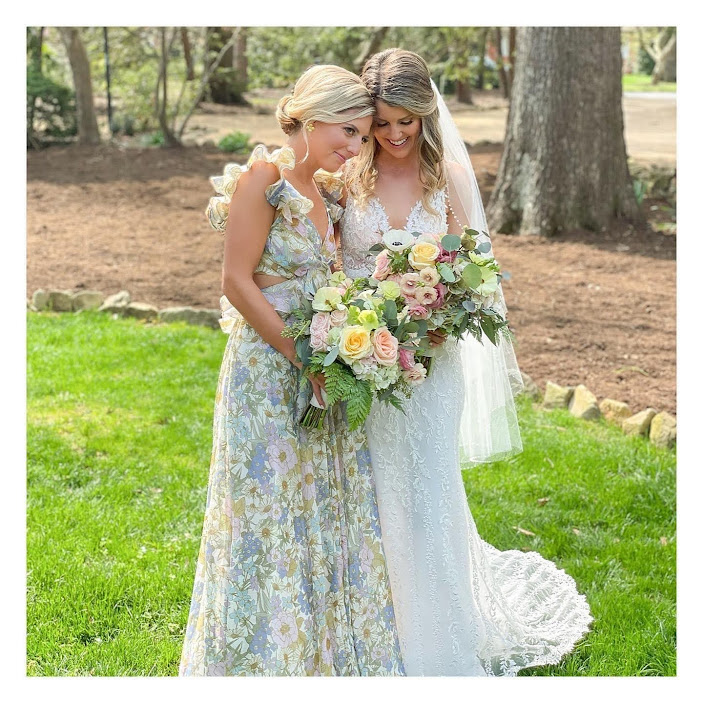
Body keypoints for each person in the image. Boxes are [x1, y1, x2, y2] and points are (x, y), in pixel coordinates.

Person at [340, 48, 593, 676]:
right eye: (384, 122)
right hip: (367, 360)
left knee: (426, 495)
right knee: (369, 496)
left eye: (408, 121)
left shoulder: (447, 176)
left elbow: (471, 278)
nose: (396, 136)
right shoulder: (348, 178)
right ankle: (370, 624)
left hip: (431, 365)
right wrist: (367, 329)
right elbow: (334, 268)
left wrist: (426, 329)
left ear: (428, 114)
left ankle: (440, 634)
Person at [179, 64, 404, 676]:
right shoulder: (263, 179)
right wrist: (302, 358)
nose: (354, 147)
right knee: (266, 502)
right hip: (268, 371)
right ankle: (258, 660)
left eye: (362, 136)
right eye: (348, 131)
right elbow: (235, 280)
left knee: (322, 501)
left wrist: (346, 351)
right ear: (308, 117)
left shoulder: (330, 197)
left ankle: (321, 654)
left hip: (322, 370)